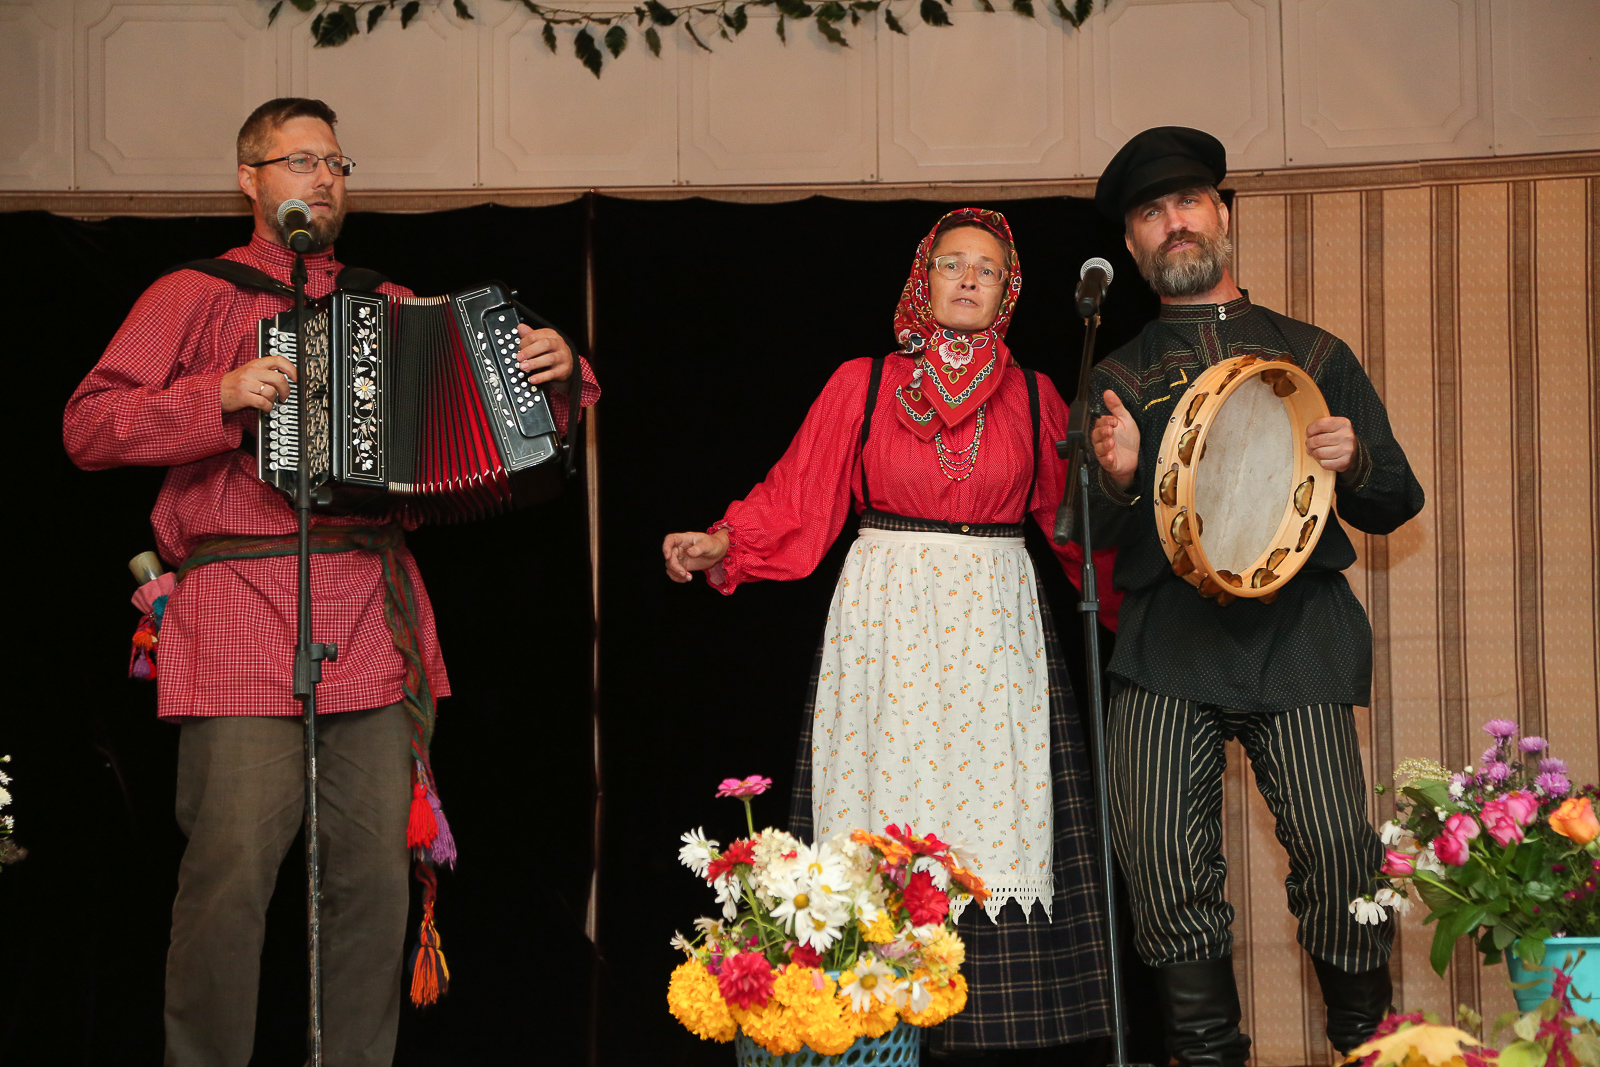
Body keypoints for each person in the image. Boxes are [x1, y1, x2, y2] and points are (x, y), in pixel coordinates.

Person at [62, 97, 599, 1067]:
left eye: (336, 164)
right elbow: (89, 425)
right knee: (229, 871)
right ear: (250, 178)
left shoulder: (389, 301)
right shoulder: (193, 292)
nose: (323, 178)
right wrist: (218, 394)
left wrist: (555, 382)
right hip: (237, 604)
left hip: (369, 606)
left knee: (375, 880)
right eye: (300, 160)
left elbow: (501, 438)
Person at [662, 208, 1115, 1057]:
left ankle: (987, 1027)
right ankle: (871, 1029)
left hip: (993, 628)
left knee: (994, 815)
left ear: (1009, 291)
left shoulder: (1037, 395)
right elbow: (798, 498)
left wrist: (1151, 599)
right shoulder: (862, 384)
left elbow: (1075, 532)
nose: (969, 277)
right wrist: (726, 543)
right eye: (952, 263)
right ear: (922, 279)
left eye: (988, 268)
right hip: (888, 624)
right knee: (880, 811)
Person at [1083, 126, 1425, 1067]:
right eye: (1151, 213)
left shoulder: (1311, 350)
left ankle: (1370, 1050)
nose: (1174, 222)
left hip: (1298, 633)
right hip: (1167, 642)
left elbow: (1397, 500)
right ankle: (1206, 1054)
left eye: (1189, 202)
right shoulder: (1115, 375)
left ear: (1224, 215)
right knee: (1163, 865)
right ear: (1133, 244)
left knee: (1339, 853)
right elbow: (1085, 530)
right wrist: (1117, 476)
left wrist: (1355, 459)